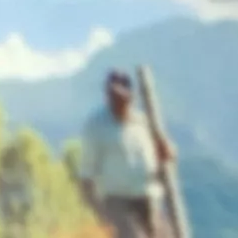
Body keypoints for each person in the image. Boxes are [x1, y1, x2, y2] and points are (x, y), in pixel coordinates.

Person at [71, 68, 176, 237]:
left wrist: (166, 149)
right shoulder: (97, 125)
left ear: (131, 96)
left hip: (148, 196)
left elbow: (168, 155)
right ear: (107, 96)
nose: (117, 100)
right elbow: (86, 175)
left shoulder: (144, 121)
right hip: (116, 200)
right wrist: (98, 211)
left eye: (121, 96)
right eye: (112, 95)